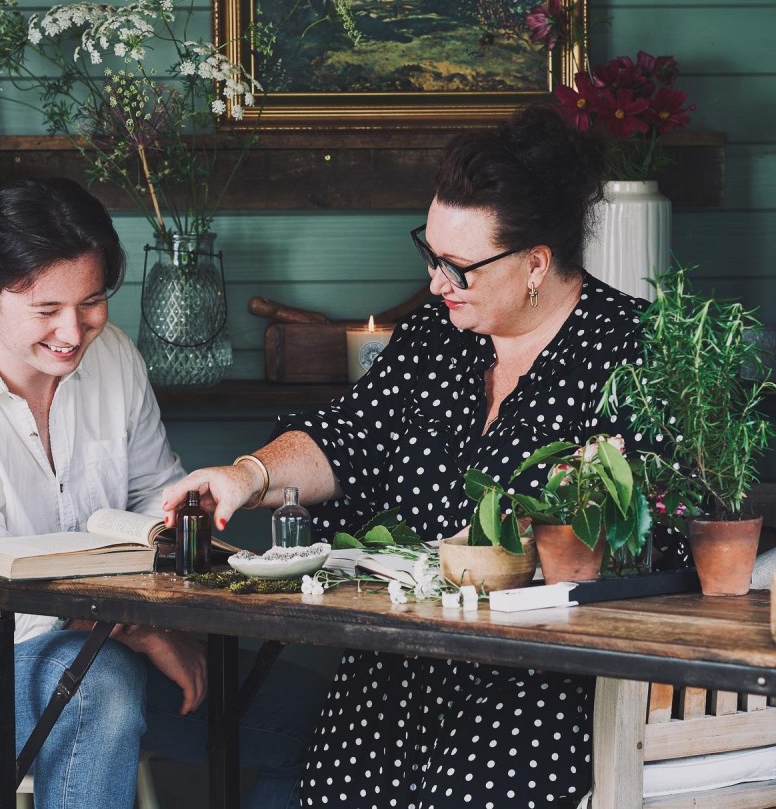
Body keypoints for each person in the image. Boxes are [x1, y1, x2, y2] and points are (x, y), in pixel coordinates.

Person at [161, 105, 649, 808]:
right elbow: (346, 436)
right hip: (395, 664)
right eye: (431, 253)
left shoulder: (627, 350)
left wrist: (509, 553)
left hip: (539, 677)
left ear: (537, 263)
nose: (436, 281)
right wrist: (248, 475)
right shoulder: (435, 334)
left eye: (458, 267)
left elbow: (647, 539)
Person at [0, 177, 319, 809]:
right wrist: (147, 632)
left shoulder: (113, 358)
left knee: (320, 712)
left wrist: (161, 594)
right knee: (97, 688)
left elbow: (158, 508)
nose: (74, 332)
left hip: (111, 652)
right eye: (46, 310)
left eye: (91, 302)